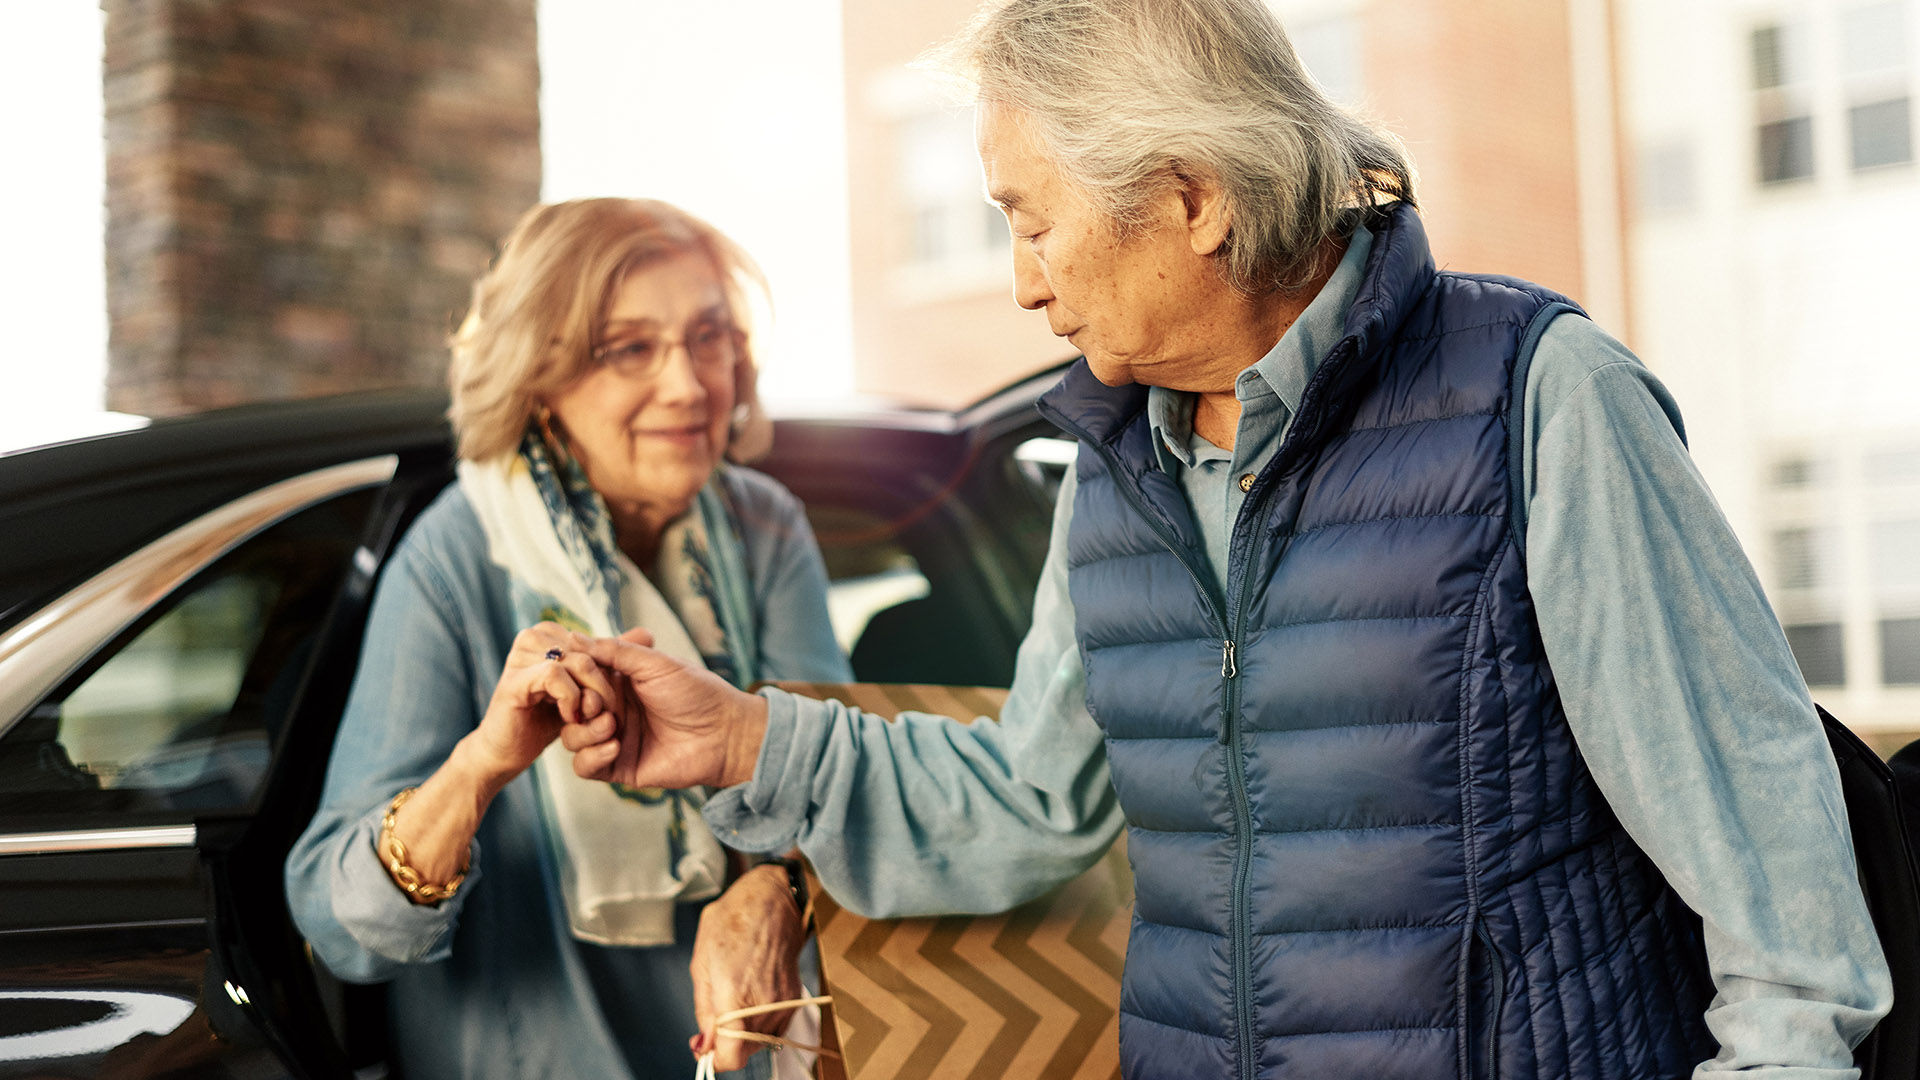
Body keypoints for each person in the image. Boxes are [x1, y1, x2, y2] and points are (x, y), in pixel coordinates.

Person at [564, 2, 1894, 1077]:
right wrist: (742, 739)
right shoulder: (1112, 472)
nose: (1023, 276)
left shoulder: (1542, 402)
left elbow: (1784, 908)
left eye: (1033, 218)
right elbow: (1031, 806)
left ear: (1191, 199)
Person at [286, 197, 850, 1080]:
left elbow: (838, 786)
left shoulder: (762, 526)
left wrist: (774, 886)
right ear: (539, 380)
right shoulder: (457, 552)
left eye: (709, 338)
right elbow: (340, 925)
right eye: (631, 349)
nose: (691, 383)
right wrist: (483, 764)